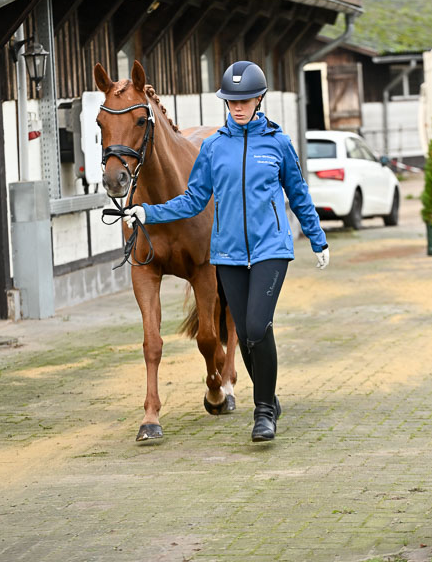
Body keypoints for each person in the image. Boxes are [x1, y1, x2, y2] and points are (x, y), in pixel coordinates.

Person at [123, 61, 329, 442]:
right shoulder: (214, 147)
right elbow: (193, 200)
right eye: (231, 101)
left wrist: (317, 239)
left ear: (259, 100)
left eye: (245, 100)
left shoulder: (278, 143)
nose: (238, 107)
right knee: (245, 336)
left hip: (271, 250)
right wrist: (147, 211)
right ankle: (268, 392)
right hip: (228, 255)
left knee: (254, 328)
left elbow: (298, 195)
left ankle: (263, 411)